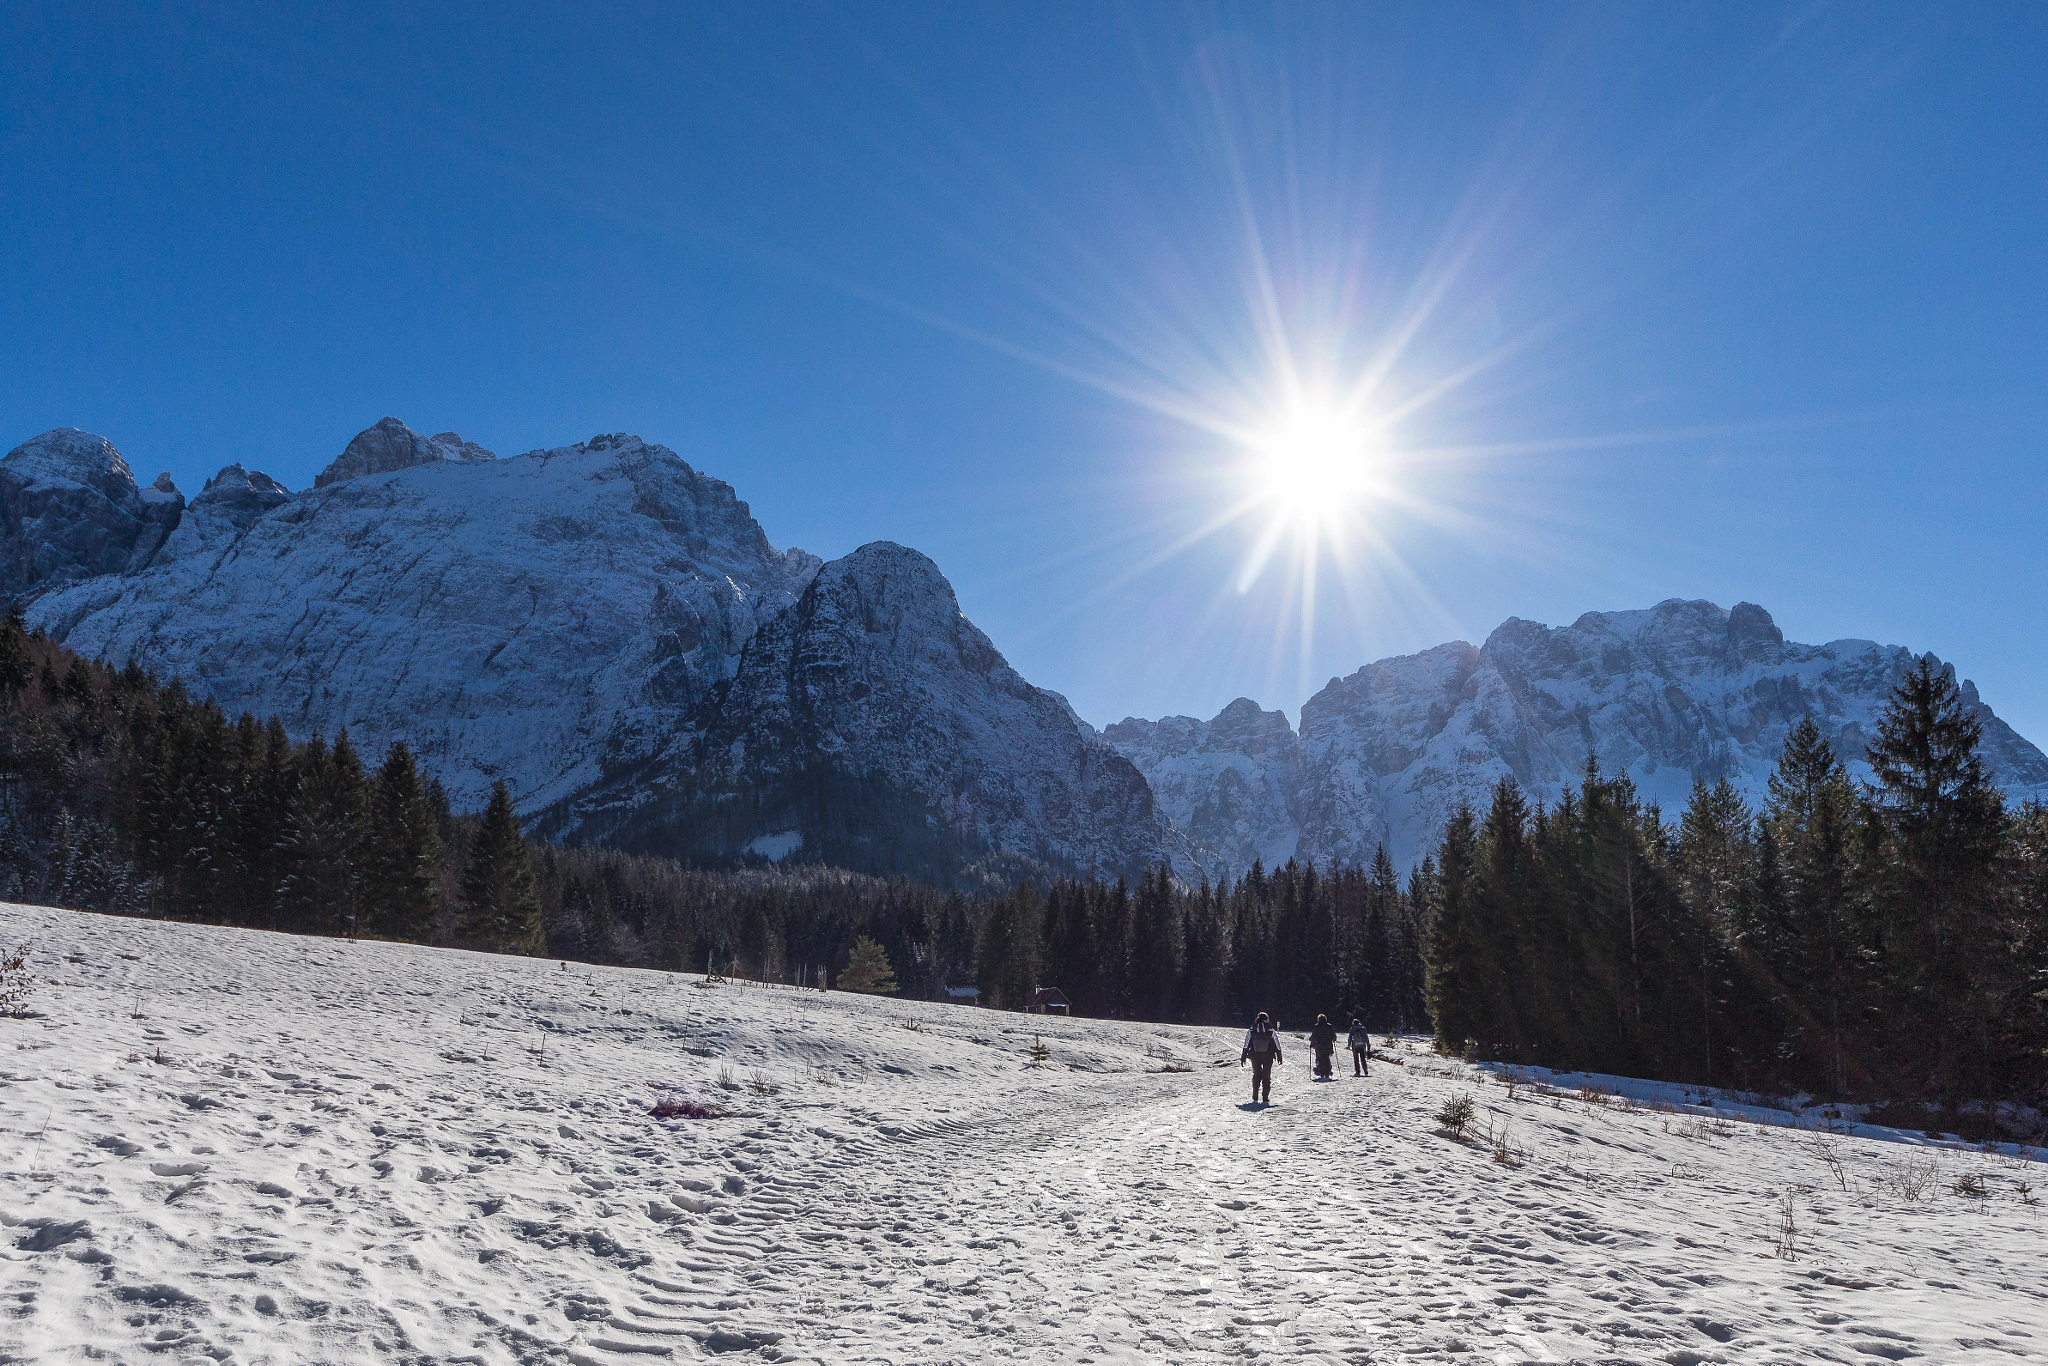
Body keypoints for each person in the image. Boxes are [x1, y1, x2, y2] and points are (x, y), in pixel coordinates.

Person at [1241, 1012, 1282, 1104]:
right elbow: (1277, 1044)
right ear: (1267, 1019)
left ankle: (1255, 1096)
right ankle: (1265, 1097)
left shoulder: (1252, 1030)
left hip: (1255, 1056)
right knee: (1266, 1076)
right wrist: (1279, 1056)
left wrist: (1243, 1057)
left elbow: (1246, 1044)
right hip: (1268, 1056)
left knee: (1256, 1075)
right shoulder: (1270, 1030)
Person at [1309, 1014, 1338, 1079]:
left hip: (1319, 1046)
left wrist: (1312, 1043)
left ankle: (1322, 1074)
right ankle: (1327, 1073)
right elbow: (1334, 1036)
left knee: (1320, 1059)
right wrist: (1333, 1039)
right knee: (1327, 1059)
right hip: (1328, 1046)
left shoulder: (1316, 1027)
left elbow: (1314, 1036)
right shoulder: (1329, 1026)